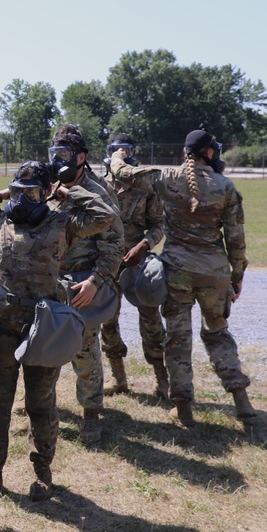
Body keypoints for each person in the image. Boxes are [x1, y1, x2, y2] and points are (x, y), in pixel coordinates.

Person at [0, 160, 116, 503]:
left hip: (44, 324)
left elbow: (104, 216)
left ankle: (42, 473)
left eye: (31, 192)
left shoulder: (64, 221)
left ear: (45, 193)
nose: (24, 199)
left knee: (40, 403)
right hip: (2, 322)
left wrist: (67, 192)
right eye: (19, 191)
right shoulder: (1, 218)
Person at [110, 125, 255, 427]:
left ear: (186, 153)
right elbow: (236, 240)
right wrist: (237, 275)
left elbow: (125, 173)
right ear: (211, 153)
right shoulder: (226, 187)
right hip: (215, 272)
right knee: (217, 334)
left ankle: (183, 408)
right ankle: (242, 403)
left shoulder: (167, 178)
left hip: (177, 271)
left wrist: (118, 155)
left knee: (178, 339)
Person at [47, 124, 125, 442]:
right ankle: (38, 404)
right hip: (49, 282)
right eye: (54, 154)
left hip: (82, 283)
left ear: (81, 157)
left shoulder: (99, 192)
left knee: (84, 349)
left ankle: (91, 414)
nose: (57, 160)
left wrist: (95, 281)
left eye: (64, 154)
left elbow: (114, 245)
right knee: (42, 345)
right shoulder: (47, 186)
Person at [101, 133, 169, 398]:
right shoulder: (100, 184)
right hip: (108, 262)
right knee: (107, 320)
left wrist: (143, 245)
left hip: (138, 263)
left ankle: (162, 379)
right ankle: (118, 378)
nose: (120, 153)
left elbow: (158, 224)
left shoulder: (144, 185)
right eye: (115, 149)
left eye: (125, 149)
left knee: (151, 320)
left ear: (132, 153)